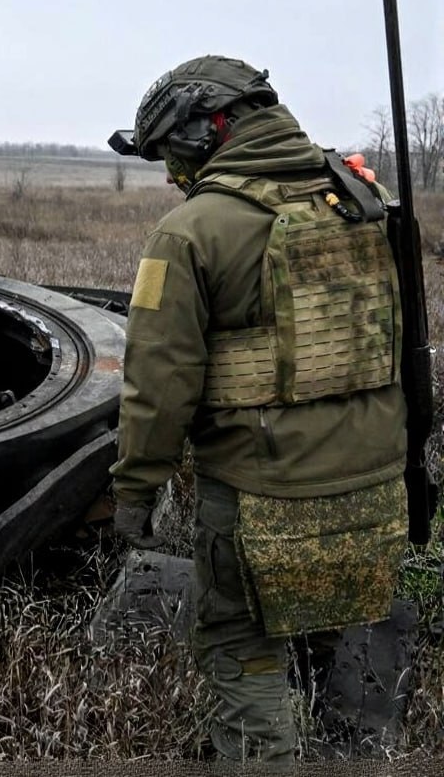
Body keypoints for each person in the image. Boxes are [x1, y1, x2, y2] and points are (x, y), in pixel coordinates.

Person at [107, 56, 408, 763]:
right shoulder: (360, 199)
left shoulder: (191, 231)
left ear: (211, 128)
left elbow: (159, 384)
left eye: (169, 153)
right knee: (341, 619)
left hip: (260, 493)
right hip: (375, 485)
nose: (169, 173)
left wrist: (134, 490)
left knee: (241, 651)